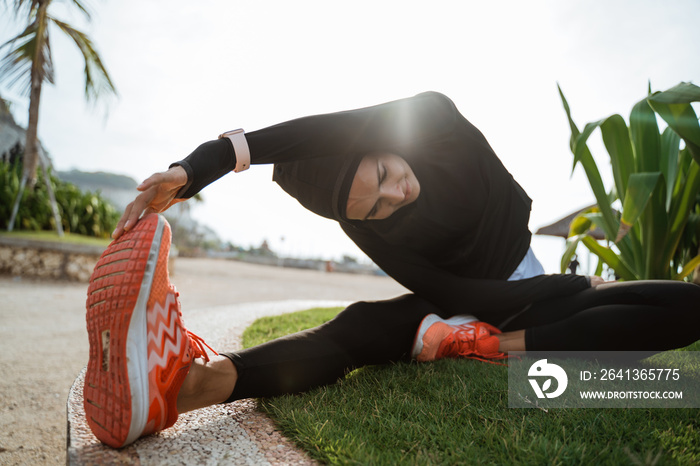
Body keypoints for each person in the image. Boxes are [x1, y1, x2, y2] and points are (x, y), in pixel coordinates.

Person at [84, 92, 700, 448]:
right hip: (465, 303)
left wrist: (199, 168)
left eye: (383, 176)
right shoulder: (364, 225)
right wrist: (493, 316)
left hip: (525, 282)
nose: (395, 198)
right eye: (373, 209)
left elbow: (326, 130)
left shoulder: (433, 121)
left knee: (683, 308)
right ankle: (183, 389)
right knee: (359, 328)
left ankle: (497, 345)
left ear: (380, 141)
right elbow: (450, 290)